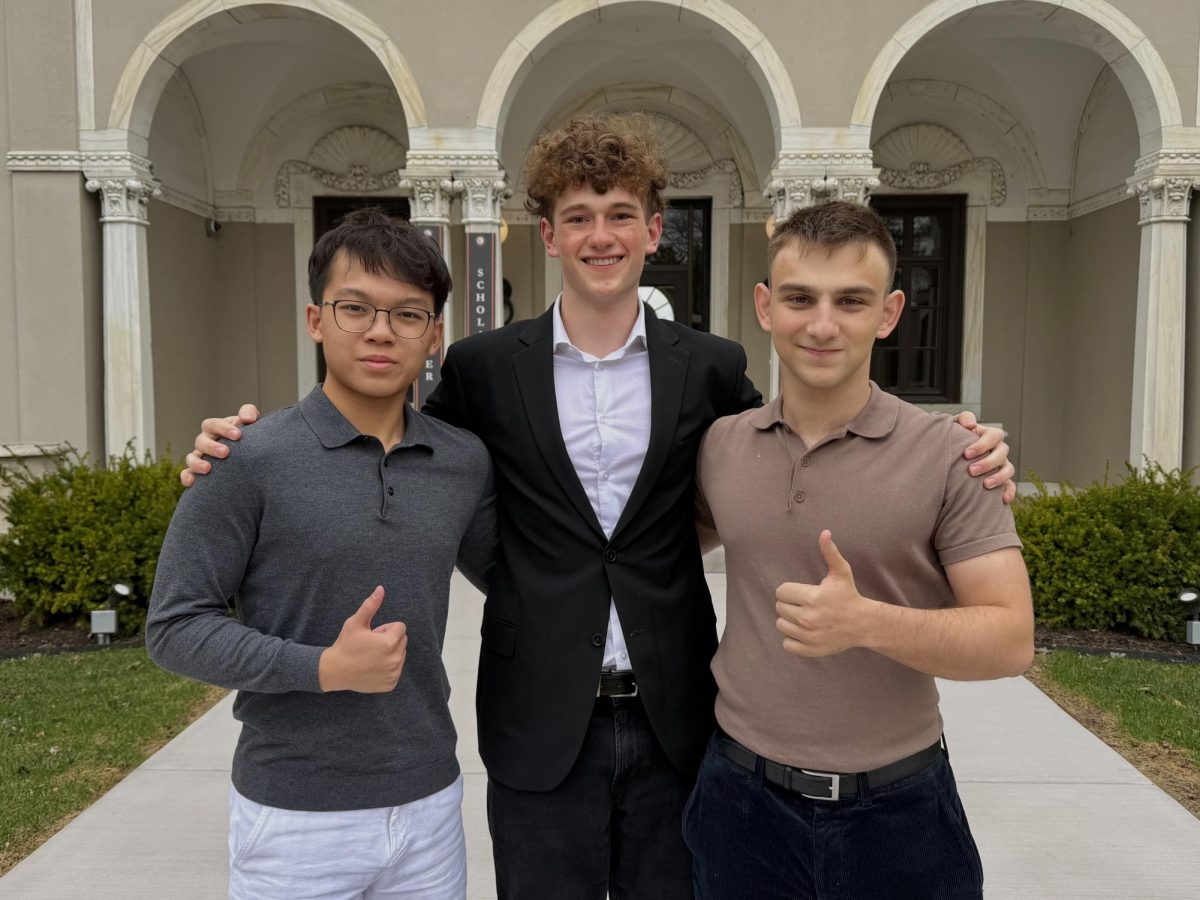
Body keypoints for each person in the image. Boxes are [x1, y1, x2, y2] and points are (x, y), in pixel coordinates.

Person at [182, 115, 1015, 899]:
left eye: (622, 214)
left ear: (656, 231)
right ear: (548, 236)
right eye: (577, 217)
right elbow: (393, 444)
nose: (601, 236)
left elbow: (809, 428)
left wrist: (960, 444)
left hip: (680, 717)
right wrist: (255, 437)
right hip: (538, 716)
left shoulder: (712, 368)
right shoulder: (483, 369)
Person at [682, 200, 1033, 899]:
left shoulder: (953, 456)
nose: (821, 325)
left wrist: (866, 623)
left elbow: (1010, 638)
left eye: (851, 301)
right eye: (799, 298)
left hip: (899, 814)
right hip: (740, 803)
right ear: (764, 306)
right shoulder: (722, 447)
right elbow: (648, 555)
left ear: (889, 312)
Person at [147, 208, 496, 899]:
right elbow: (174, 627)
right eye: (355, 307)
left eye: (407, 314)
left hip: (428, 805)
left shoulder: (462, 461)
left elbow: (525, 575)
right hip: (294, 817)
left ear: (434, 337)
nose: (378, 330)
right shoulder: (249, 458)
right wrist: (323, 668)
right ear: (315, 319)